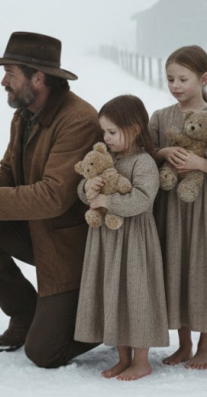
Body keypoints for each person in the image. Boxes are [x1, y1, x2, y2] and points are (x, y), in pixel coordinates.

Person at [0, 31, 102, 368]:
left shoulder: (78, 121)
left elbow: (52, 197)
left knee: (44, 353)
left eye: (10, 72)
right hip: (39, 232)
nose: (3, 81)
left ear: (38, 77)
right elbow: (9, 173)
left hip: (71, 250)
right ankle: (25, 317)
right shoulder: (25, 113)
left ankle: (110, 321)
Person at [148, 46, 207, 370]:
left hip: (205, 209)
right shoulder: (160, 118)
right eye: (170, 78)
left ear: (204, 79)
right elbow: (146, 153)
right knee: (177, 267)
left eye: (182, 79)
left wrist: (203, 163)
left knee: (203, 269)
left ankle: (206, 346)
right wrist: (163, 153)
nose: (175, 85)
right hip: (170, 208)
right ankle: (183, 344)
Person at [75, 95, 169, 381]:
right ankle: (123, 357)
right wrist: (88, 187)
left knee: (137, 296)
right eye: (104, 132)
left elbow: (141, 200)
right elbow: (84, 190)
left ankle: (142, 360)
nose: (107, 137)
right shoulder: (108, 160)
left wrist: (106, 201)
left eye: (113, 132)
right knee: (115, 296)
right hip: (107, 241)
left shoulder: (143, 163)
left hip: (135, 242)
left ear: (135, 128)